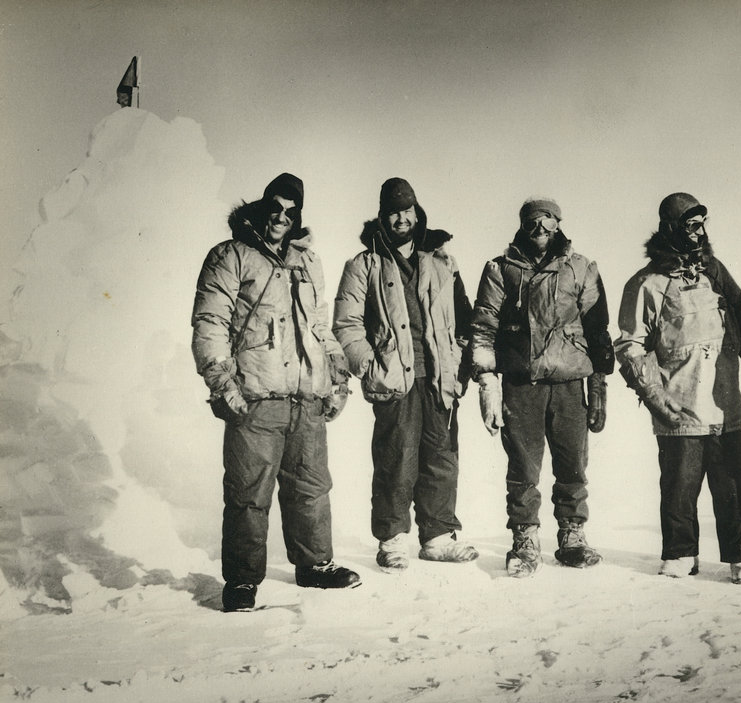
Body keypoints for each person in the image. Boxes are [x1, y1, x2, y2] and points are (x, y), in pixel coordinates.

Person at [192, 173, 360, 613]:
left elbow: (319, 326)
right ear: (261, 208)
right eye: (275, 208)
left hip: (305, 397)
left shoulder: (309, 262)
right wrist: (222, 383)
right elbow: (210, 324)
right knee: (249, 493)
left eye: (291, 212)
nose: (281, 218)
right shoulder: (231, 256)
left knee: (311, 487)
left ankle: (315, 566)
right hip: (255, 396)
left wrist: (338, 376)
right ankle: (243, 582)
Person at [615, 193, 741, 583]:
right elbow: (629, 345)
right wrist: (656, 400)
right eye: (690, 224)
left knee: (734, 485)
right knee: (679, 484)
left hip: (724, 402)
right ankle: (680, 552)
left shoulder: (714, 272)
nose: (699, 231)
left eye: (702, 223)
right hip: (678, 401)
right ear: (671, 228)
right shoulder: (647, 283)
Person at [332, 178, 478, 572]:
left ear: (417, 212)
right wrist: (373, 369)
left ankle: (437, 537)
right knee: (397, 459)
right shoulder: (364, 265)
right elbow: (346, 327)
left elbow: (465, 319)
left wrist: (460, 366)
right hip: (396, 380)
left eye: (407, 209)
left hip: (439, 378)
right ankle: (393, 539)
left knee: (441, 458)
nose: (401, 218)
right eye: (393, 211)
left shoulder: (443, 261)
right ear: (382, 216)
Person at [470, 197, 614, 578]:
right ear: (523, 224)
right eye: (533, 222)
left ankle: (572, 535)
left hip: (569, 385)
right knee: (523, 466)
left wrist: (598, 388)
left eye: (548, 222)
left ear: (559, 225)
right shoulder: (501, 270)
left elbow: (598, 331)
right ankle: (525, 538)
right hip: (521, 383)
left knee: (572, 463)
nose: (540, 229)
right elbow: (483, 328)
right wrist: (488, 386)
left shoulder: (581, 268)